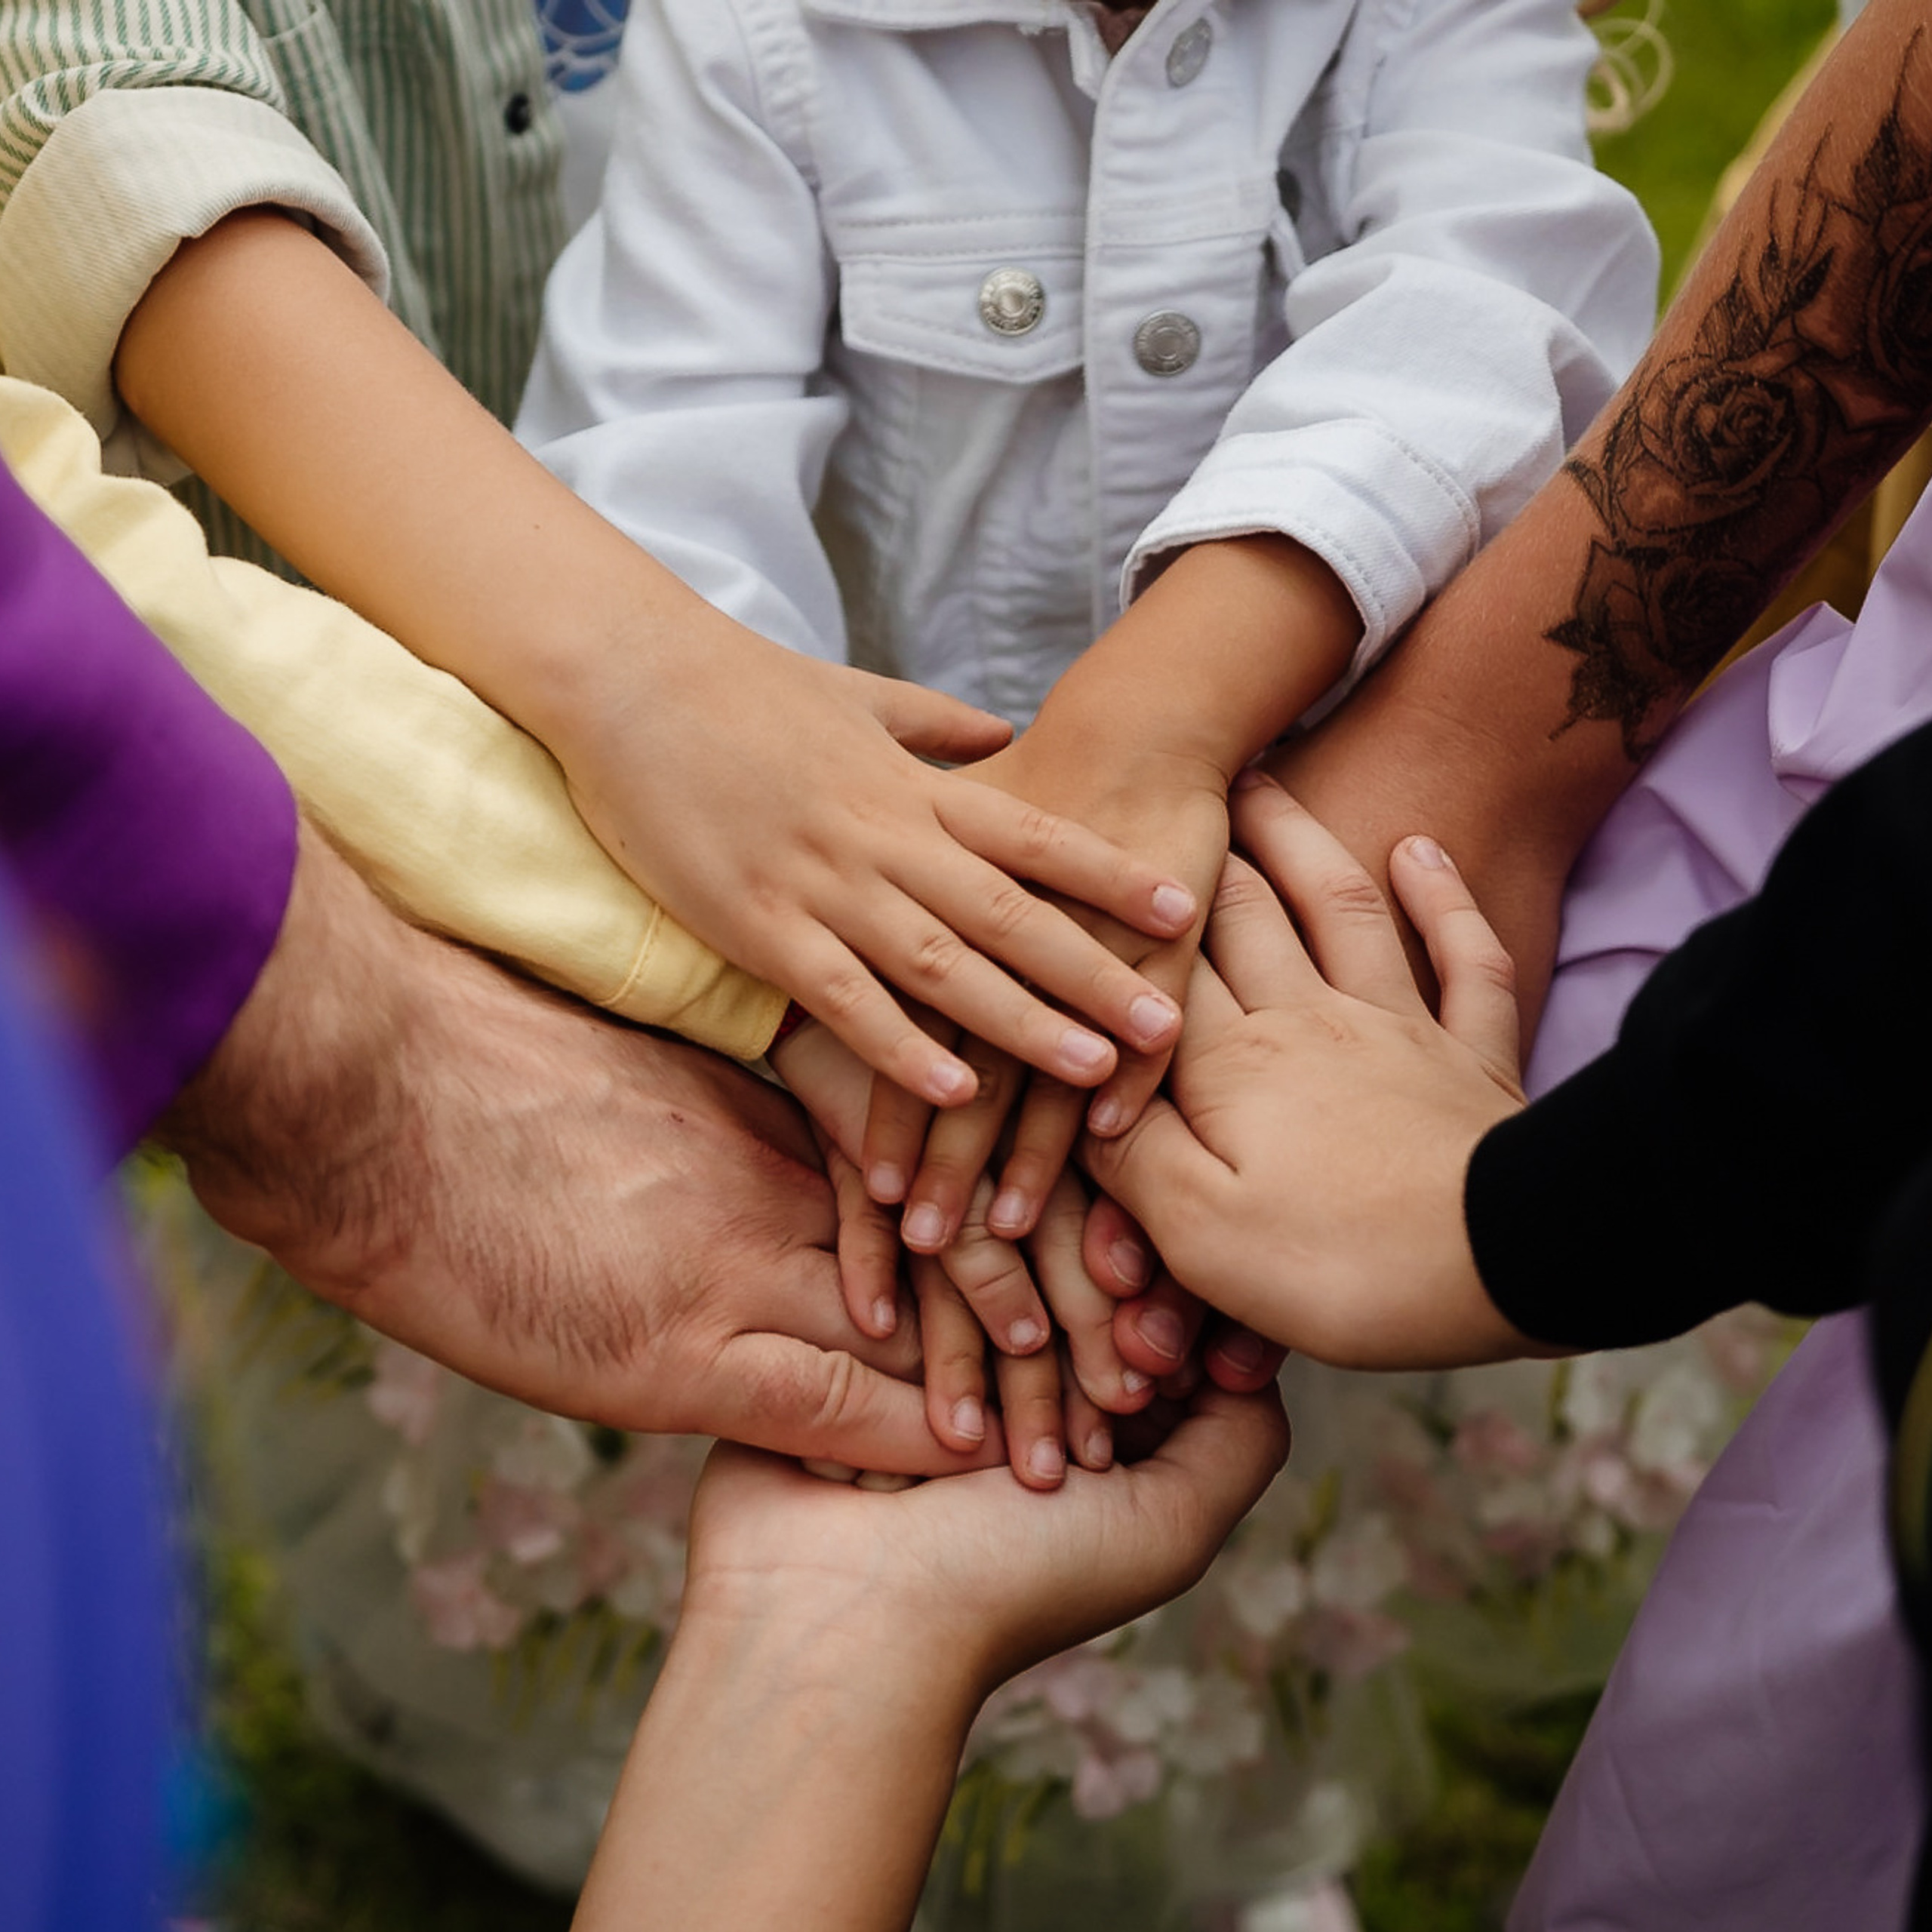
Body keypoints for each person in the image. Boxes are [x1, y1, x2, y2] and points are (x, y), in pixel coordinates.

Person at [514, 0, 1657, 1458]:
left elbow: (1490, 306)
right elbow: (654, 508)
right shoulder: (749, 32)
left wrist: (1152, 720)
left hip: (1326, 932)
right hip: (854, 966)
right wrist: (880, 1003)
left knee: (1319, 1333)